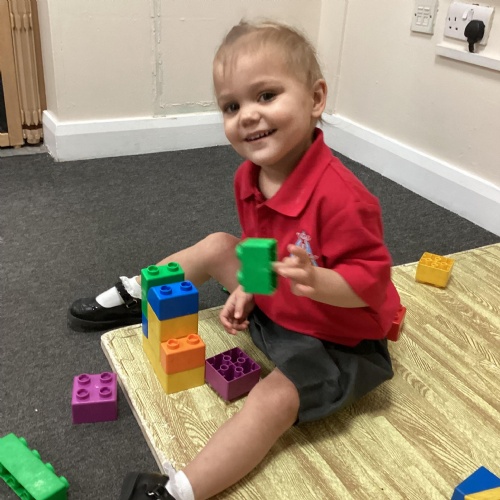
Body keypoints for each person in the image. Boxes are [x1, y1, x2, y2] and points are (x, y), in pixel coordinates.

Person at [69, 20, 400, 500]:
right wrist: (248, 287)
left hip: (341, 339)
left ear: (315, 99)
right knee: (218, 245)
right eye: (231, 105)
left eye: (266, 95)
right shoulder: (248, 178)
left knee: (272, 398)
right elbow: (258, 246)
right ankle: (139, 292)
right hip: (282, 305)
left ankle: (180, 491)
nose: (248, 115)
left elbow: (371, 285)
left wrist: (318, 280)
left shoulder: (345, 198)